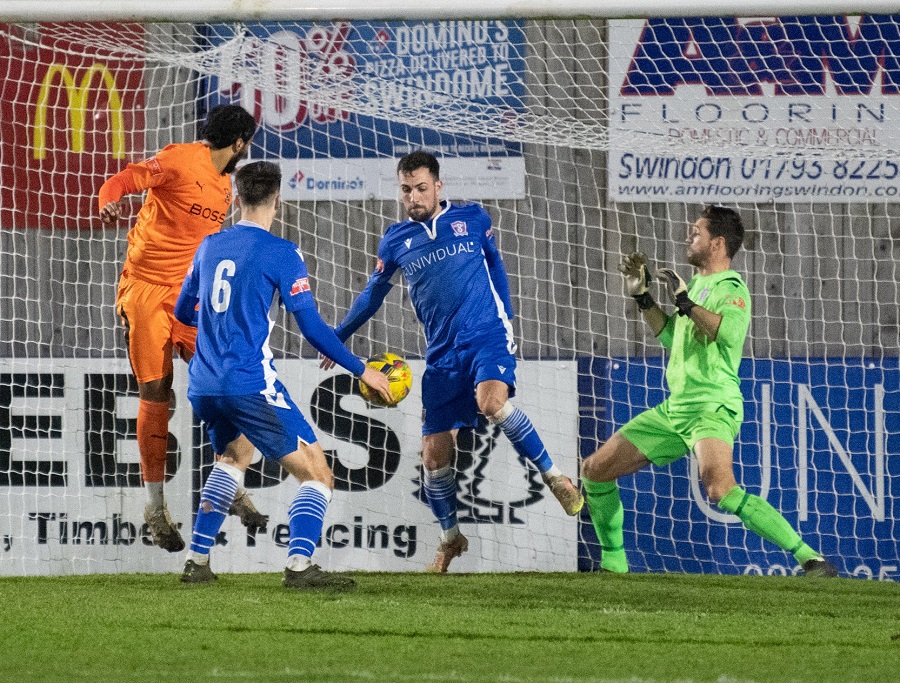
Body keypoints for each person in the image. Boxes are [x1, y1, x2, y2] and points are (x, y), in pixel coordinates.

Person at [322, 150, 584, 573]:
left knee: (492, 404)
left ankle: (557, 478)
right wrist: (338, 335)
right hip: (442, 354)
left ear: (438, 187)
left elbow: (495, 265)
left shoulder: (473, 218)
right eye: (406, 190)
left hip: (486, 336)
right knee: (433, 456)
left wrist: (507, 318)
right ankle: (450, 538)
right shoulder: (395, 241)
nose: (413, 197)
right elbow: (372, 294)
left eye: (421, 188)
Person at [581, 205, 838, 577]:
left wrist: (686, 303)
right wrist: (644, 299)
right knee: (595, 470)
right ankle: (613, 566)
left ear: (717, 243)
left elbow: (726, 333)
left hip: (712, 406)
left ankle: (811, 559)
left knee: (719, 489)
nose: (689, 236)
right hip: (676, 409)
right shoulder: (696, 284)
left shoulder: (731, 287)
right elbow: (674, 336)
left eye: (696, 232)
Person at [173, 160, 392, 589]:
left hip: (203, 382)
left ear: (236, 199)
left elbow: (183, 312)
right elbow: (311, 329)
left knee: (235, 457)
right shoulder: (281, 253)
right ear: (278, 200)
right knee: (318, 474)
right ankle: (299, 568)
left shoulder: (209, 246)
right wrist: (362, 369)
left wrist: (222, 326)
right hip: (248, 382)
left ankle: (197, 563)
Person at [98, 104, 267, 552]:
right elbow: (124, 179)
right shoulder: (178, 159)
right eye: (247, 143)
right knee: (158, 393)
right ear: (239, 144)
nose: (247, 150)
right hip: (145, 291)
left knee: (227, 384)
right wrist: (108, 200)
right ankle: (155, 507)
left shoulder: (226, 188)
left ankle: (231, 484)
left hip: (190, 299)